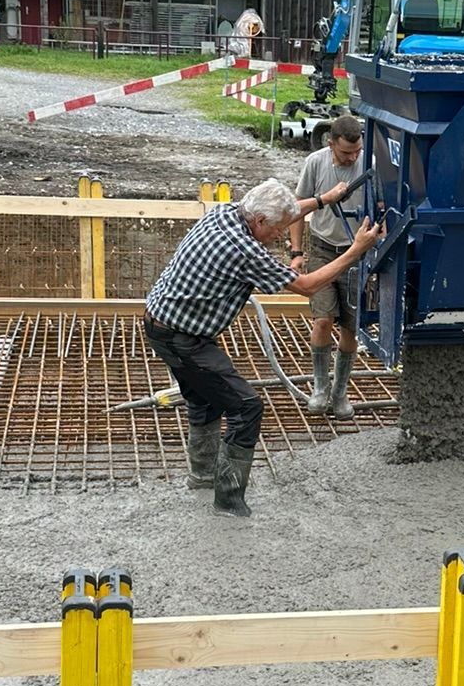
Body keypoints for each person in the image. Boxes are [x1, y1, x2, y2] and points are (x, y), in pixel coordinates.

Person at [145, 179, 382, 518]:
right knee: (247, 407)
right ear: (259, 223)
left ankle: (202, 477)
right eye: (278, 230)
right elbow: (307, 286)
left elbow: (287, 210)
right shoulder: (244, 249)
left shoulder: (226, 213)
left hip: (163, 322)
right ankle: (228, 502)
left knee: (205, 399)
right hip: (181, 337)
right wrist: (355, 250)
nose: (281, 237)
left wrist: (321, 199)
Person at [289, 116, 365, 417]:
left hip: (356, 252)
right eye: (346, 152)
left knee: (351, 327)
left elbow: (386, 207)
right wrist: (296, 252)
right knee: (323, 320)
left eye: (356, 150)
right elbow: (297, 207)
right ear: (331, 143)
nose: (353, 157)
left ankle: (340, 392)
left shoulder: (369, 161)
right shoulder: (315, 163)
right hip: (322, 249)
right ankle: (320, 387)